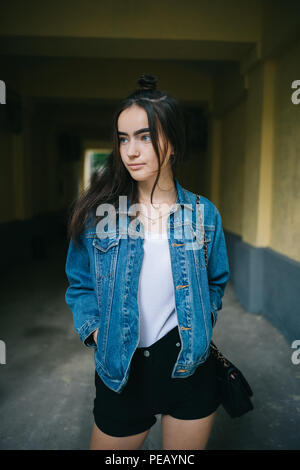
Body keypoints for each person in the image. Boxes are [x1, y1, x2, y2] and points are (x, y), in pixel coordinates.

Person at [65, 74, 230, 450]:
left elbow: (216, 280)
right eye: (123, 139)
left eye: (144, 136)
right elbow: (79, 283)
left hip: (189, 365)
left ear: (172, 141)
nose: (130, 151)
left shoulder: (203, 214)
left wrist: (202, 322)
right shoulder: (101, 214)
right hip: (121, 370)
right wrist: (96, 331)